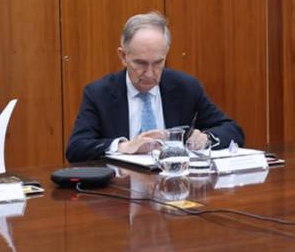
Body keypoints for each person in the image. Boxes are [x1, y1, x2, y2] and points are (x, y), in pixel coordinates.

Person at [65, 12, 245, 162]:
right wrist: (123, 147)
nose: (150, 73)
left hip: (175, 187)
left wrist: (206, 139)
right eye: (140, 63)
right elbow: (76, 149)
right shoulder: (99, 93)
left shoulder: (185, 87)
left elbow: (233, 131)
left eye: (158, 62)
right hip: (122, 192)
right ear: (123, 56)